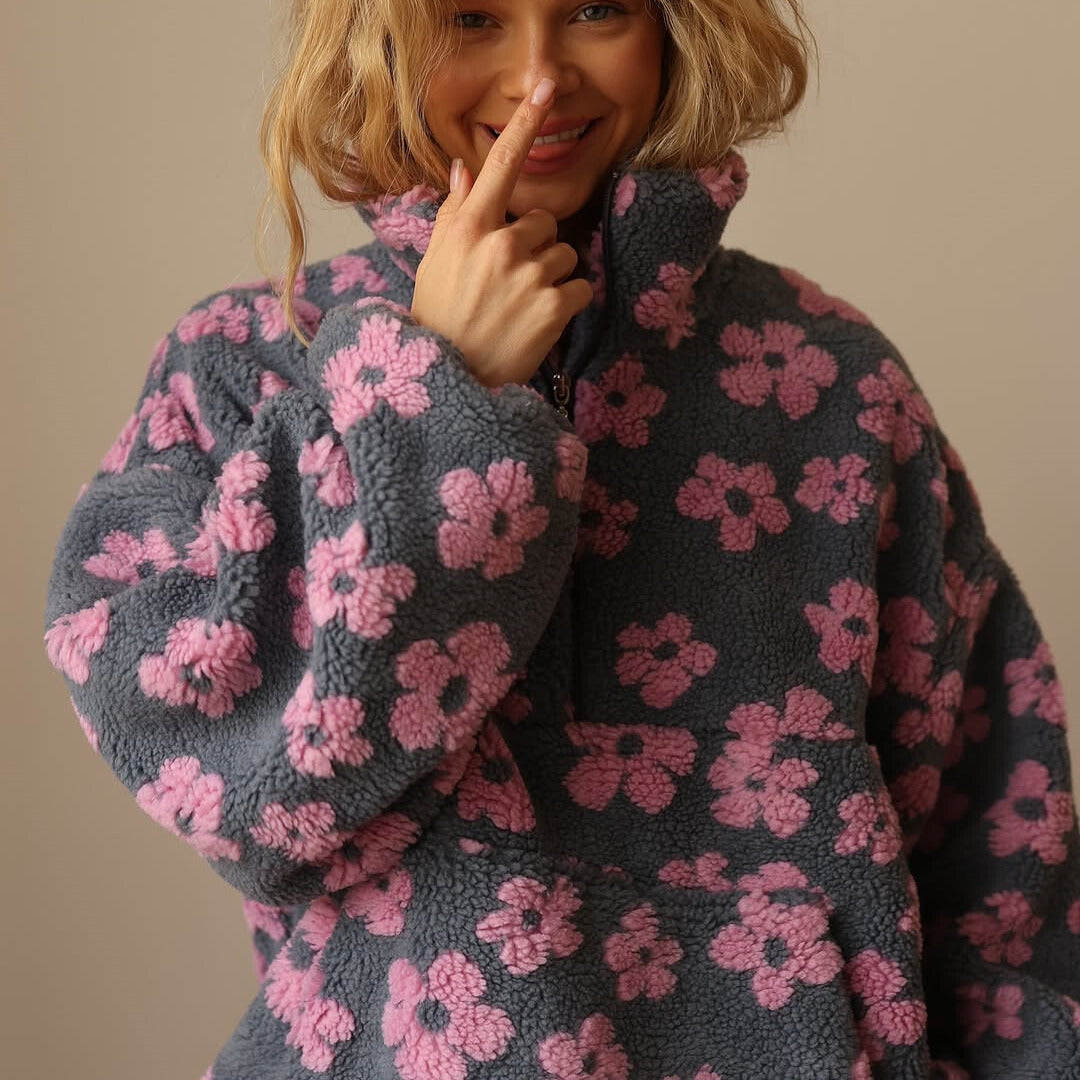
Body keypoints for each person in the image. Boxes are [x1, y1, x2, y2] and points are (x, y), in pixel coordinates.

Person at [41, 1, 1080, 1077]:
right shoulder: (248, 367)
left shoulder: (831, 381)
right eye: (472, 16)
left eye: (597, 9)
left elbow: (999, 841)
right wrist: (435, 387)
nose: (539, 77)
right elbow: (225, 777)